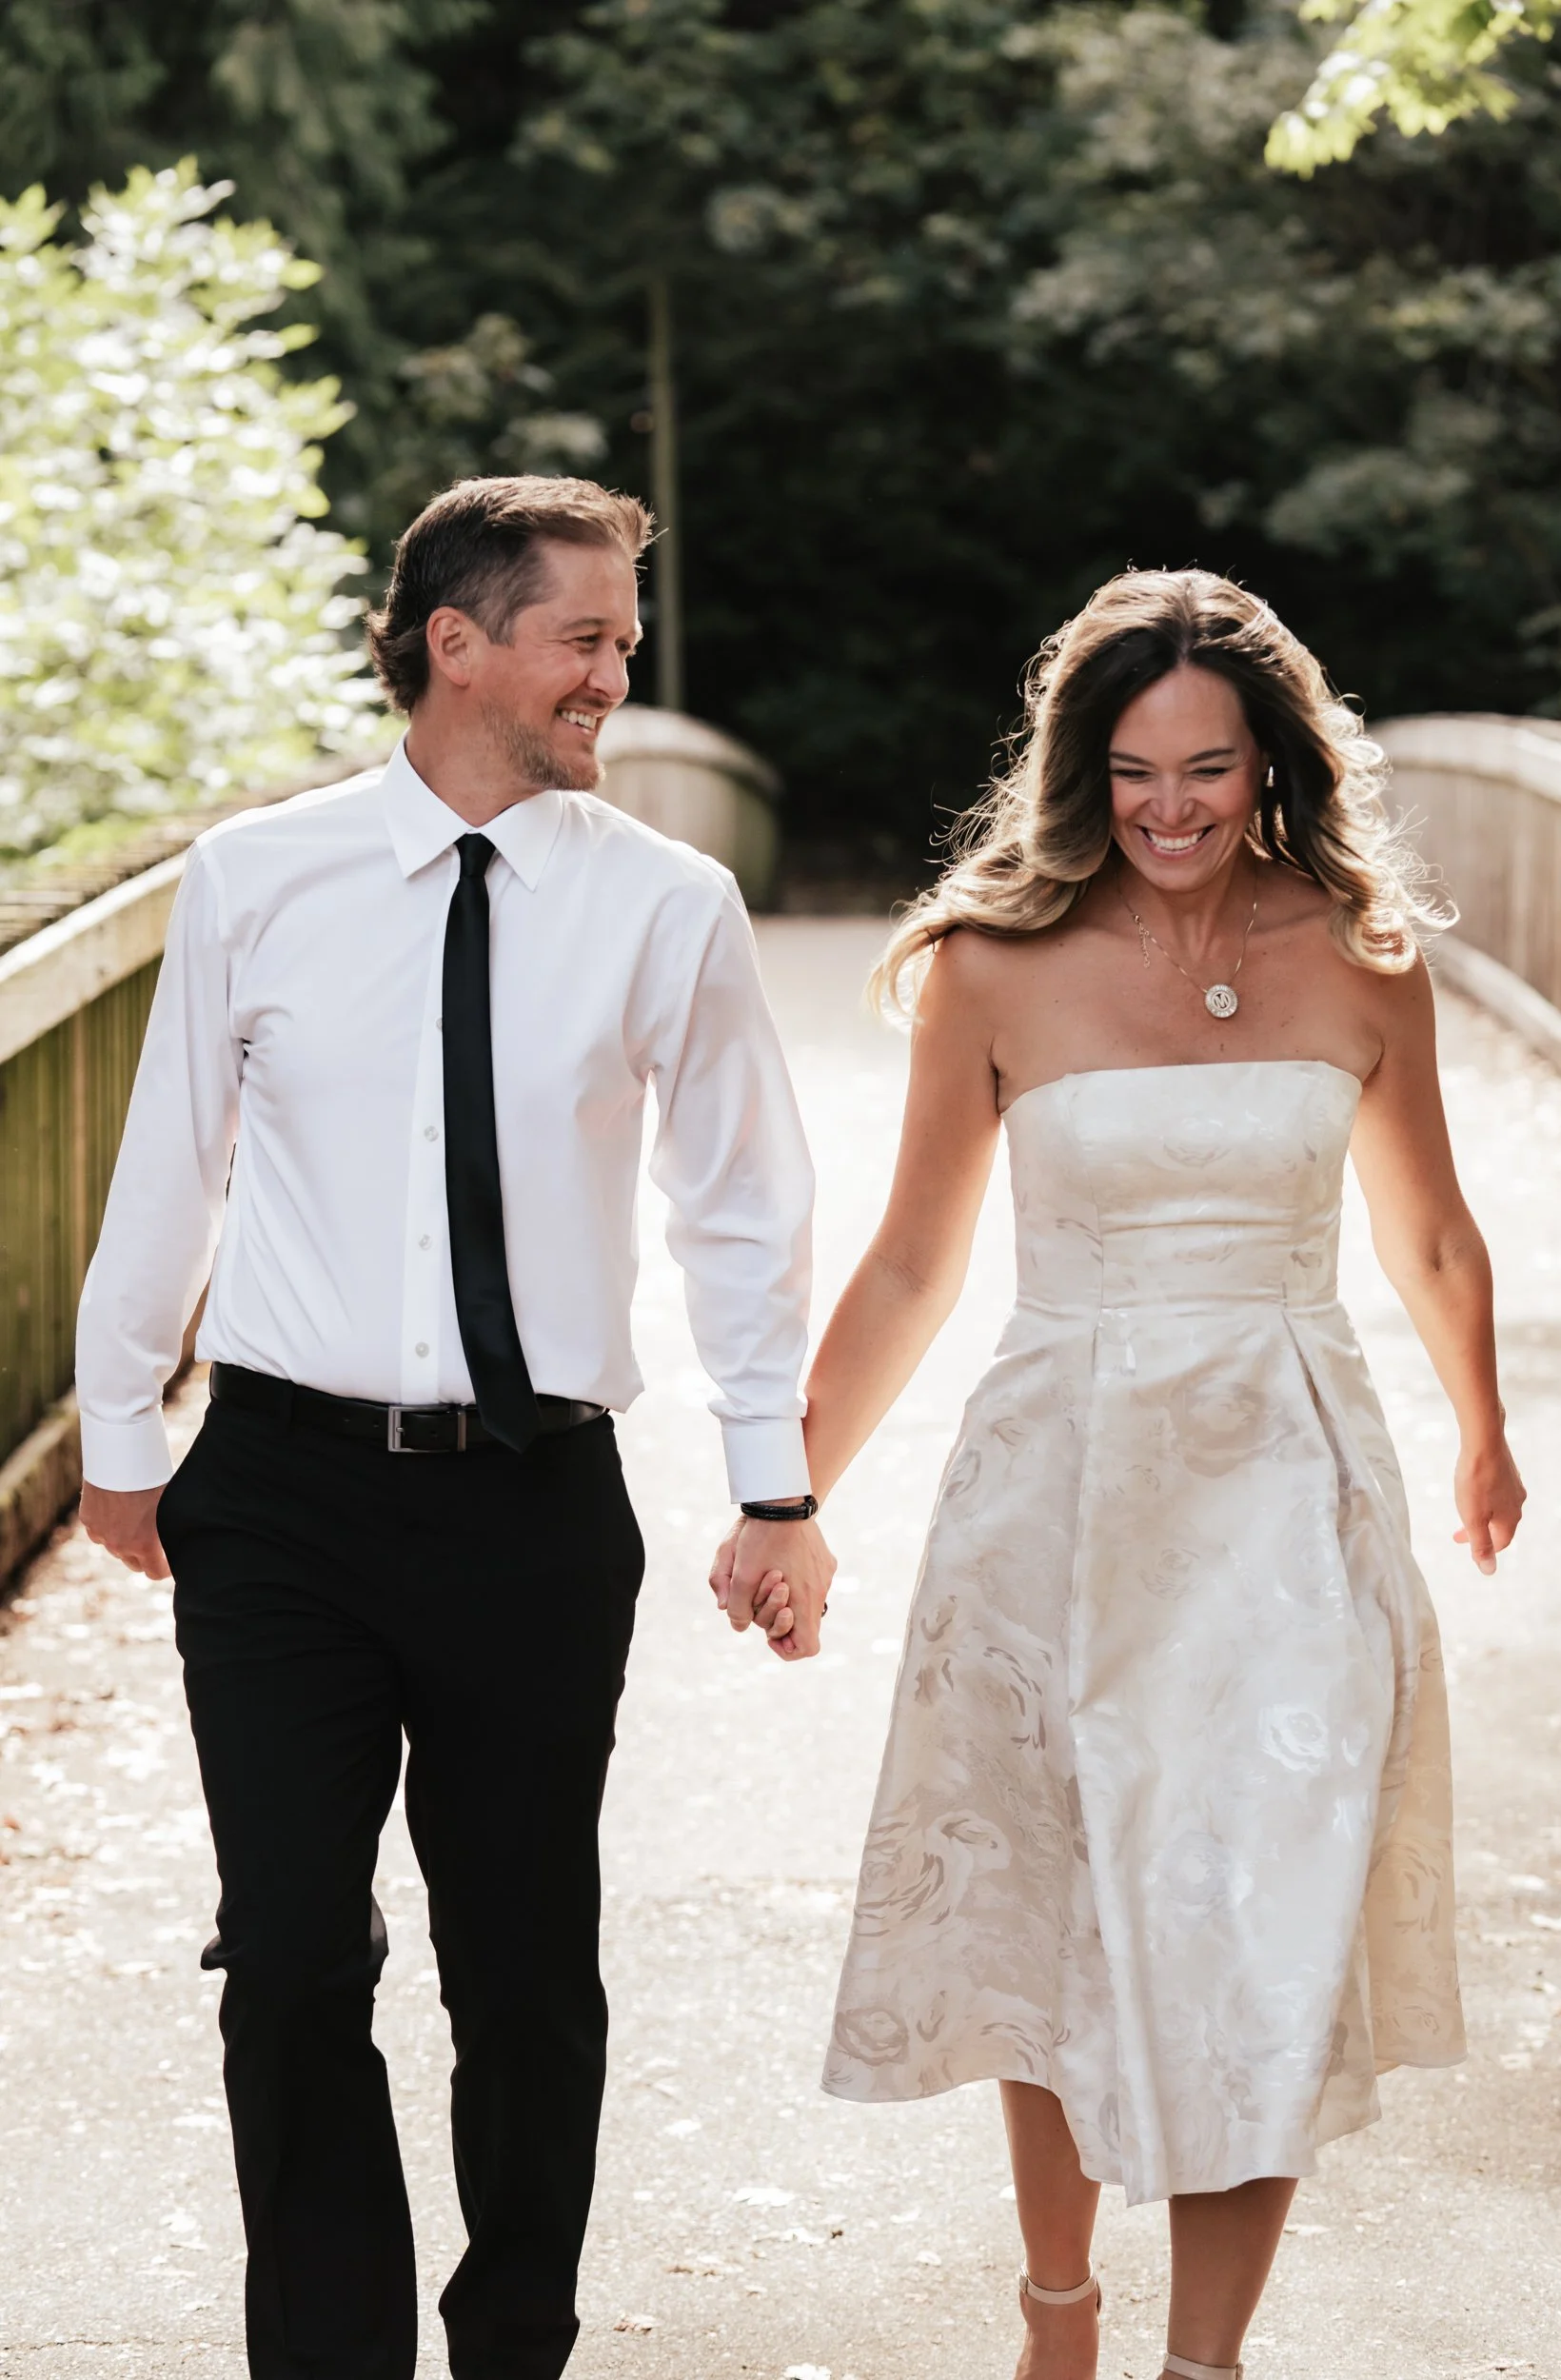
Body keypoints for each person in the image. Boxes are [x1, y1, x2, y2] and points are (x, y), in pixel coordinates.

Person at [73, 472, 836, 2380]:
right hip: (283, 1497)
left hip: (530, 1507)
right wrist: (115, 1429)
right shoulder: (259, 875)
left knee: (521, 1969)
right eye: (585, 637)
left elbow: (740, 1201)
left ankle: (511, 2338)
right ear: (456, 642)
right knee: (295, 1961)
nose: (616, 673)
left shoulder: (669, 900)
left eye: (624, 640)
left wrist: (774, 1479)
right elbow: (170, 1162)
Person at [731, 569, 1526, 2380]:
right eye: (1137, 769)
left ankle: (1205, 2361)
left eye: (1211, 769)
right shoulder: (990, 966)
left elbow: (1434, 1233)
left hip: (1290, 1495)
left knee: (1269, 1911)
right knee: (1057, 1895)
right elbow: (916, 1263)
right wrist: (790, 1495)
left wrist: (1480, 1430)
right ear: (1082, 770)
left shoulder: (1363, 953)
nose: (1172, 807)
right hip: (1059, 1492)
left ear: (1271, 768)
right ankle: (1059, 2312)